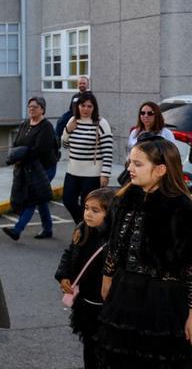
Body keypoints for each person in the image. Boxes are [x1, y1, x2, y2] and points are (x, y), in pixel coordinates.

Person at [99, 137, 192, 368]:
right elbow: (114, 243)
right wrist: (108, 276)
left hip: (165, 299)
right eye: (130, 162)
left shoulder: (182, 207)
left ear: (160, 169)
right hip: (125, 291)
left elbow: (191, 264)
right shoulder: (124, 199)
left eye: (138, 164)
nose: (129, 168)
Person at [54, 187, 115, 369]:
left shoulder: (113, 240)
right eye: (87, 208)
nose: (88, 214)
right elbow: (70, 253)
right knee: (89, 349)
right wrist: (63, 275)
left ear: (110, 213)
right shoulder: (83, 229)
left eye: (95, 210)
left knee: (106, 353)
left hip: (106, 308)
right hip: (85, 304)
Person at [3, 97, 59, 240]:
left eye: (35, 106)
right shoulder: (25, 124)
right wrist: (18, 155)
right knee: (40, 199)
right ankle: (48, 229)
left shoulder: (46, 126)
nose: (32, 108)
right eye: (30, 106)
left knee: (32, 198)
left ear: (42, 109)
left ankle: (17, 230)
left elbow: (40, 149)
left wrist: (23, 155)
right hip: (28, 167)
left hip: (45, 168)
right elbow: (16, 143)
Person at [61, 91, 113, 224]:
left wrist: (105, 174)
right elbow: (65, 145)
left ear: (94, 107)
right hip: (73, 171)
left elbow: (107, 150)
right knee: (68, 201)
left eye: (89, 106)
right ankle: (83, 228)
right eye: (83, 105)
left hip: (92, 174)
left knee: (88, 205)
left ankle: (85, 234)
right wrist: (68, 130)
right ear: (77, 106)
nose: (85, 109)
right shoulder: (73, 120)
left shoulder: (101, 123)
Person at [55, 76, 90, 141]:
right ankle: (57, 140)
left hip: (82, 117)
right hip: (72, 114)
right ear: (77, 85)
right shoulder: (75, 96)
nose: (82, 85)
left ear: (87, 85)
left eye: (84, 83)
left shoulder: (90, 96)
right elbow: (71, 108)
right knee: (60, 121)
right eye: (80, 83)